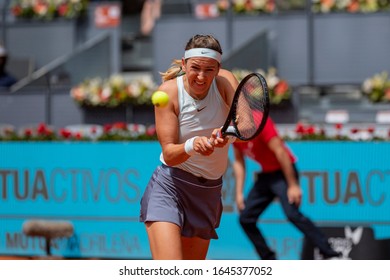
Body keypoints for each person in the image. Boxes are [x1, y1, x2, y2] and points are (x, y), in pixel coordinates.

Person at [139, 34, 239, 260]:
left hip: (208, 193)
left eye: (209, 70)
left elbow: (246, 128)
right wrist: (193, 145)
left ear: (218, 68)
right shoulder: (168, 92)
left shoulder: (225, 82)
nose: (202, 77)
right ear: (184, 64)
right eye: (195, 68)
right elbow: (170, 154)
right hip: (170, 188)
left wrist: (228, 135)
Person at [232, 117, 341, 260]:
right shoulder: (231, 128)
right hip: (266, 175)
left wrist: (293, 185)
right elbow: (239, 161)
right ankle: (269, 259)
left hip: (284, 172)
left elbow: (281, 153)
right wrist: (239, 193)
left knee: (292, 214)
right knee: (245, 218)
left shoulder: (260, 121)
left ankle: (329, 253)